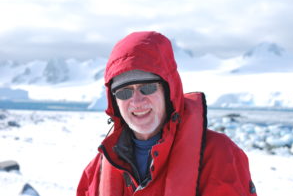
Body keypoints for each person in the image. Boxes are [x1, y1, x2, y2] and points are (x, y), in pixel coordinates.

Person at [77, 31, 257, 196]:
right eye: (124, 92)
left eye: (147, 88)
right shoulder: (97, 171)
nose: (137, 101)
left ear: (169, 91)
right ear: (115, 103)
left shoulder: (218, 154)